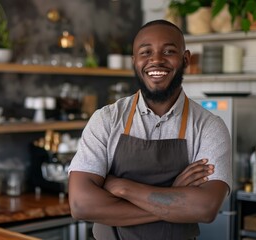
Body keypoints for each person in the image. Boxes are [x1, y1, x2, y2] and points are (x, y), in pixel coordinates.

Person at [68, 19, 232, 240]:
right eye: (146, 52)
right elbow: (81, 205)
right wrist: (175, 199)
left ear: (185, 60)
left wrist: (124, 188)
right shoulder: (107, 119)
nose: (156, 60)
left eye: (169, 51)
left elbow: (204, 208)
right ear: (134, 61)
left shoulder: (209, 126)